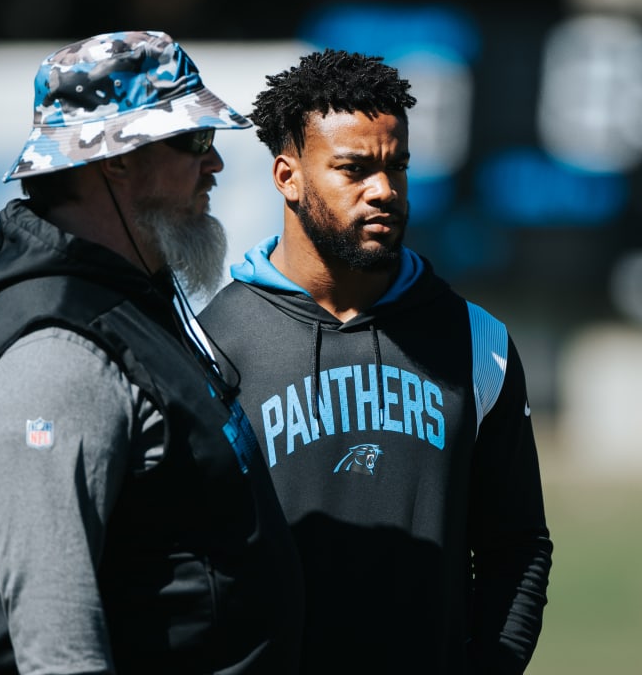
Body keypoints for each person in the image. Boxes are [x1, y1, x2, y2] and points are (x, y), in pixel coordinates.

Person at [0, 30, 303, 675]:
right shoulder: (56, 344)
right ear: (116, 160)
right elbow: (55, 635)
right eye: (193, 140)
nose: (213, 164)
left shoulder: (131, 300)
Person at [197, 48, 553, 675]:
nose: (384, 190)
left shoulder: (478, 343)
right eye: (353, 169)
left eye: (397, 167)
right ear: (288, 177)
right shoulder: (210, 345)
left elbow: (516, 547)